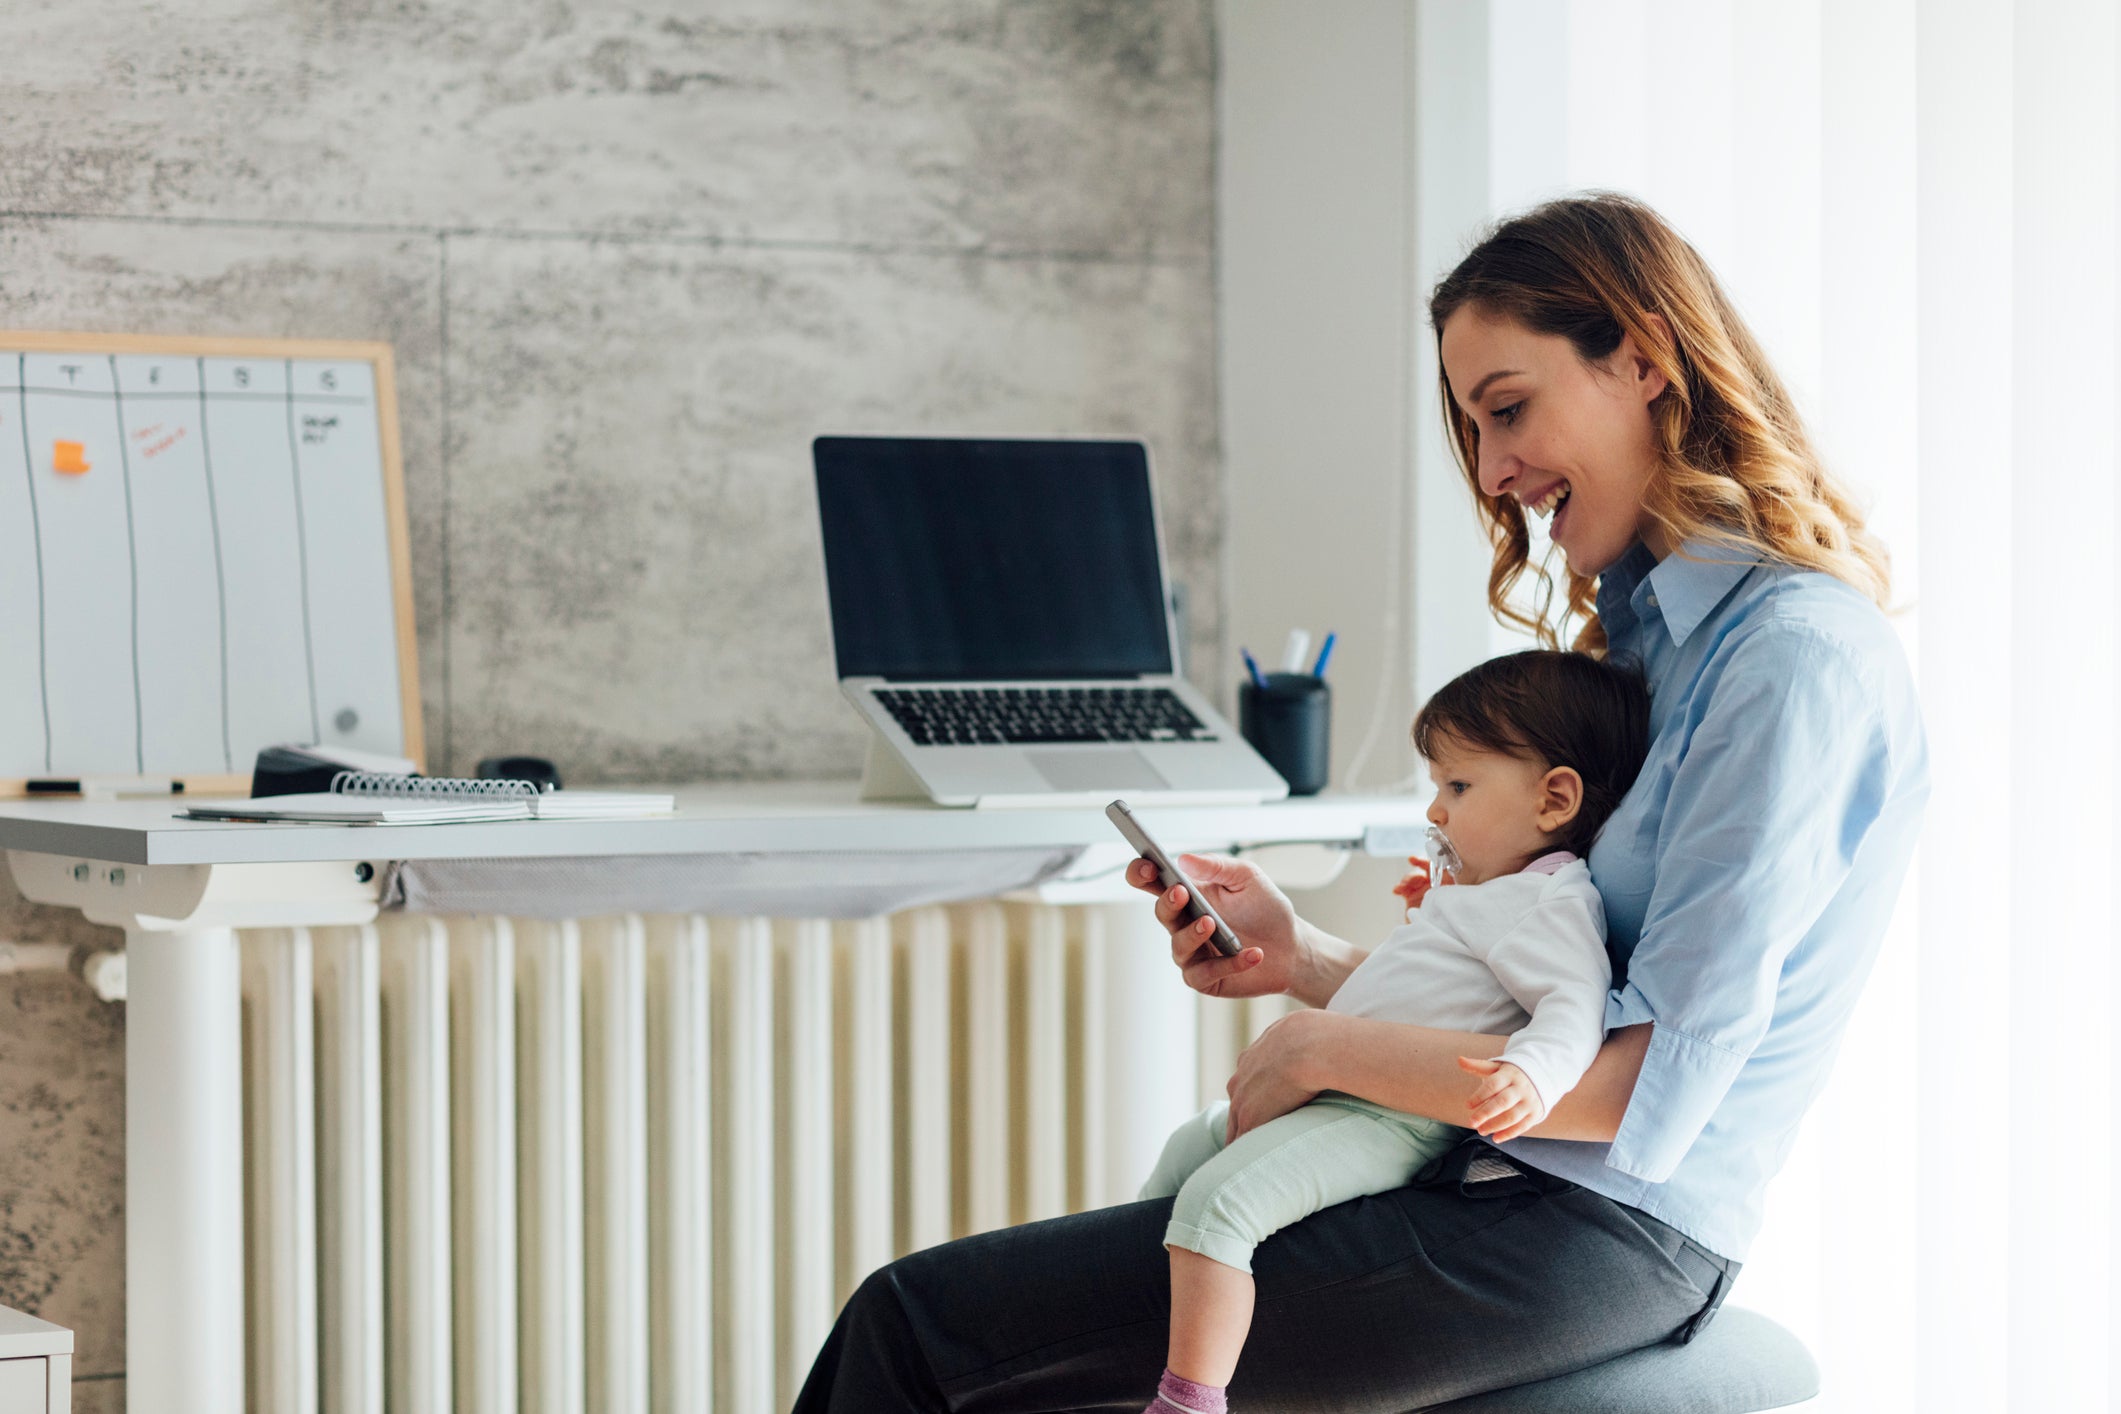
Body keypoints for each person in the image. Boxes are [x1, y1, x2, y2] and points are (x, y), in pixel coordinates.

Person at [792, 191, 1930, 1411]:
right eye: (1475, 427)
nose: (1492, 471)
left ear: (1642, 358)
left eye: (1508, 410)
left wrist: (1325, 1046)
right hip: (1497, 1180)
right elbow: (1542, 997)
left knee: (914, 1329)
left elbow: (1632, 1088)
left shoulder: (1789, 664)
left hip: (1585, 1231)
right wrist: (1309, 961)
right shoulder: (1653, 644)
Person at [1132, 649, 1649, 1414]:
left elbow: (1572, 1009)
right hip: (1345, 1098)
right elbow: (1436, 988)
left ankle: (1188, 1399)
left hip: (1387, 1119)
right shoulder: (1496, 893)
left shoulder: (1550, 904)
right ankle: (1137, 1302)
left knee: (1220, 1203)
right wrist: (1441, 908)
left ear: (1554, 800)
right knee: (1188, 1145)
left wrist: (1531, 1076)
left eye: (1458, 786)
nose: (1436, 810)